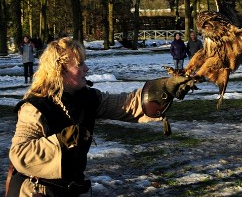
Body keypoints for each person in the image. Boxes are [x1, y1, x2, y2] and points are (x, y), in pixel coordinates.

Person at [6, 37, 196, 196]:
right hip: (36, 191)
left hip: (73, 188)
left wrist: (163, 91)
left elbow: (127, 104)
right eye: (80, 64)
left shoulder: (87, 97)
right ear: (60, 70)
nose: (86, 69)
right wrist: (61, 142)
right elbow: (19, 153)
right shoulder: (36, 105)